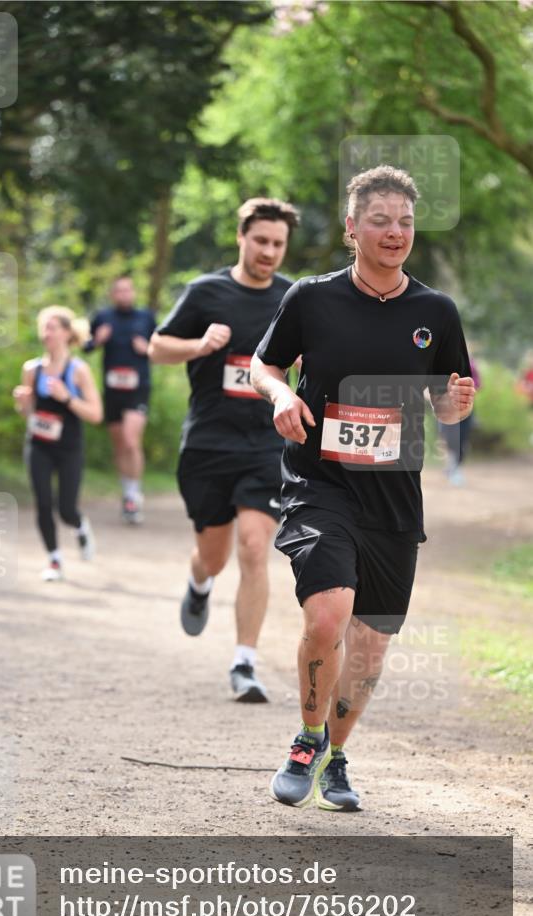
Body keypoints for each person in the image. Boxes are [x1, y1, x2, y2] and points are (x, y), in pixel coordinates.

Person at [251, 165, 475, 810]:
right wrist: (279, 396)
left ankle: (336, 757)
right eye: (380, 220)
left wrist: (455, 404)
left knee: (370, 648)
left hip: (394, 497)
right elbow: (263, 365)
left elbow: (445, 402)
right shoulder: (311, 298)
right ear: (352, 227)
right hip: (319, 482)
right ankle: (307, 739)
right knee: (328, 614)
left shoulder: (436, 312)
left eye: (405, 221)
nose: (395, 232)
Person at [149, 197, 300, 702]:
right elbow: (157, 347)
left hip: (266, 445)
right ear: (241, 237)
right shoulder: (206, 292)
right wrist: (198, 346)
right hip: (209, 444)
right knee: (213, 557)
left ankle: (244, 664)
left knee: (255, 546)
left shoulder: (293, 298)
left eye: (278, 244)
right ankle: (199, 583)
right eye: (261, 241)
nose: (269, 252)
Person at [13, 305, 103, 580]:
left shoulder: (78, 371)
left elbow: (96, 414)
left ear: (66, 333)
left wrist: (67, 397)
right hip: (38, 444)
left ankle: (80, 527)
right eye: (44, 327)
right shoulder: (32, 369)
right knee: (42, 502)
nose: (46, 333)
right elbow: (28, 413)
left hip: (69, 447)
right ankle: (54, 560)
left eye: (52, 328)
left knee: (66, 509)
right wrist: (22, 404)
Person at [86, 276, 156, 524]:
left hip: (138, 388)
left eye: (127, 290)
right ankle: (127, 492)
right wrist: (97, 340)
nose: (124, 294)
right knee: (119, 445)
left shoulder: (146, 317)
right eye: (119, 291)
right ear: (112, 294)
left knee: (130, 440)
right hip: (112, 390)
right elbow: (85, 346)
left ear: (133, 292)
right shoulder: (103, 317)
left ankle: (134, 494)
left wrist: (147, 349)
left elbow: (161, 349)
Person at [437, 352, 481, 485]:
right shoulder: (442, 363)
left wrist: (468, 389)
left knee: (462, 439)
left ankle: (455, 467)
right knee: (449, 439)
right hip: (447, 409)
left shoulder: (471, 364)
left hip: (465, 408)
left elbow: (478, 384)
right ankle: (452, 467)